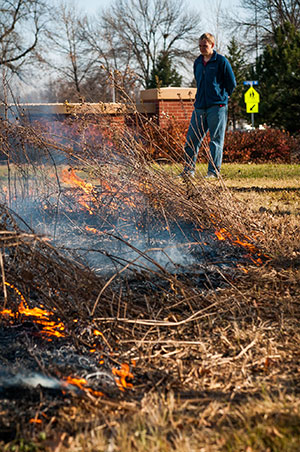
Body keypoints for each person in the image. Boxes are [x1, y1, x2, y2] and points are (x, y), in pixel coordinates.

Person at [181, 33, 236, 179]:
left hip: (217, 107)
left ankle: (213, 172)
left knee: (215, 141)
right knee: (191, 140)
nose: (202, 48)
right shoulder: (198, 62)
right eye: (200, 46)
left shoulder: (221, 61)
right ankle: (188, 171)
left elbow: (231, 83)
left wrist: (223, 97)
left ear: (212, 45)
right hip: (200, 106)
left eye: (204, 46)